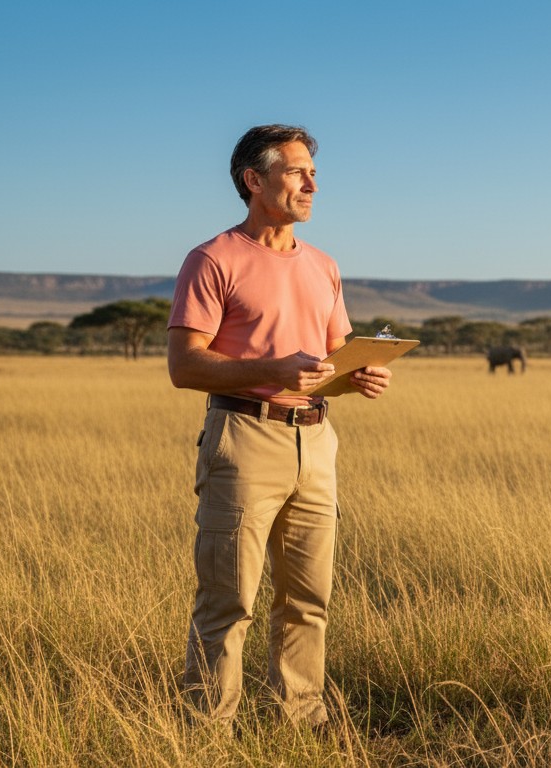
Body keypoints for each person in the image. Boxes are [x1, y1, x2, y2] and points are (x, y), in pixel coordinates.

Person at [166, 124, 392, 727]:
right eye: (296, 172)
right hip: (244, 438)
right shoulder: (213, 259)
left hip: (316, 442)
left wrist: (359, 376)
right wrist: (273, 369)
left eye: (313, 174)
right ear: (254, 180)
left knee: (308, 599)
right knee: (228, 599)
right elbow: (185, 366)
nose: (311, 185)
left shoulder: (324, 265)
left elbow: (334, 359)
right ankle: (207, 732)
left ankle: (301, 721)